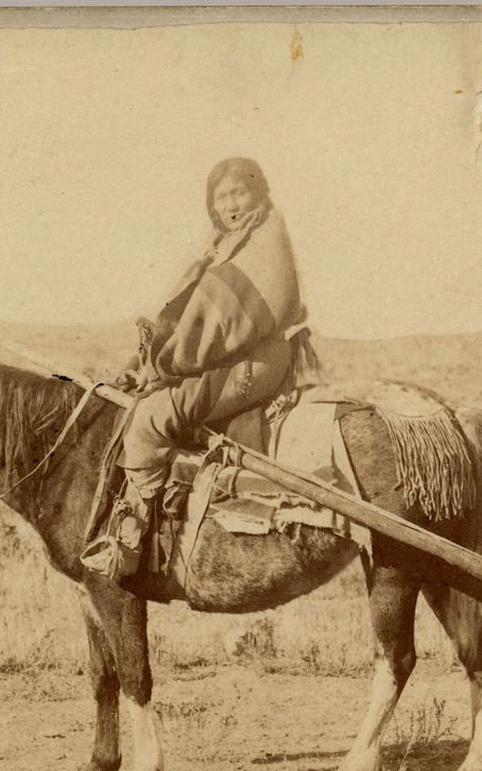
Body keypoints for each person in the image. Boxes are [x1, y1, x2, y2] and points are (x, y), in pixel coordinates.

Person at [82, 157, 322, 579]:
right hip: (229, 355)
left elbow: (217, 323)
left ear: (258, 193)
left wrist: (160, 369)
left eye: (239, 192)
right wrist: (148, 366)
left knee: (150, 418)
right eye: (221, 196)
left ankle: (134, 542)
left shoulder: (264, 239)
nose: (231, 203)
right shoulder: (228, 241)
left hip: (254, 361)